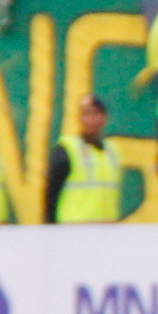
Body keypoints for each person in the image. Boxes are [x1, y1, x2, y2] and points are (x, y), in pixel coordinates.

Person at [44, 96, 121, 224]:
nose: (91, 120)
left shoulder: (111, 151)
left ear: (104, 118)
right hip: (75, 229)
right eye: (87, 114)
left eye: (96, 114)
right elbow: (51, 193)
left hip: (106, 229)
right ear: (79, 118)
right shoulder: (67, 149)